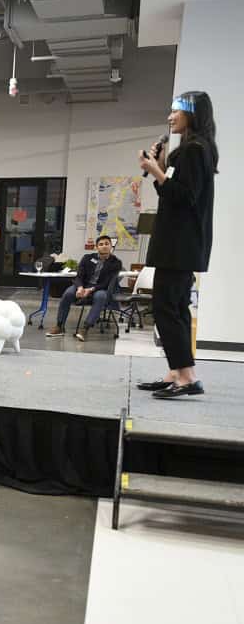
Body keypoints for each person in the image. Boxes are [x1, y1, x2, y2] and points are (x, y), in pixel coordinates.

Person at [136, 91, 217, 399]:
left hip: (179, 245)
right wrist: (158, 168)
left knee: (166, 308)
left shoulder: (195, 151)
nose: (170, 117)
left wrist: (156, 170)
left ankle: (187, 377)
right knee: (175, 308)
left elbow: (185, 198)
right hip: (180, 244)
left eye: (176, 112)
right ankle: (177, 371)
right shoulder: (190, 151)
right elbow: (174, 195)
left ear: (192, 115)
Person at [46, 235, 123, 341]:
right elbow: (79, 276)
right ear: (97, 247)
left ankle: (85, 328)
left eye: (107, 244)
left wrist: (91, 290)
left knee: (100, 296)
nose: (104, 246)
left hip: (100, 289)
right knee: (68, 293)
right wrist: (80, 287)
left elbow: (108, 283)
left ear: (111, 246)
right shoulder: (87, 258)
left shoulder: (116, 263)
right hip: (83, 286)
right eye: (101, 244)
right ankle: (60, 326)